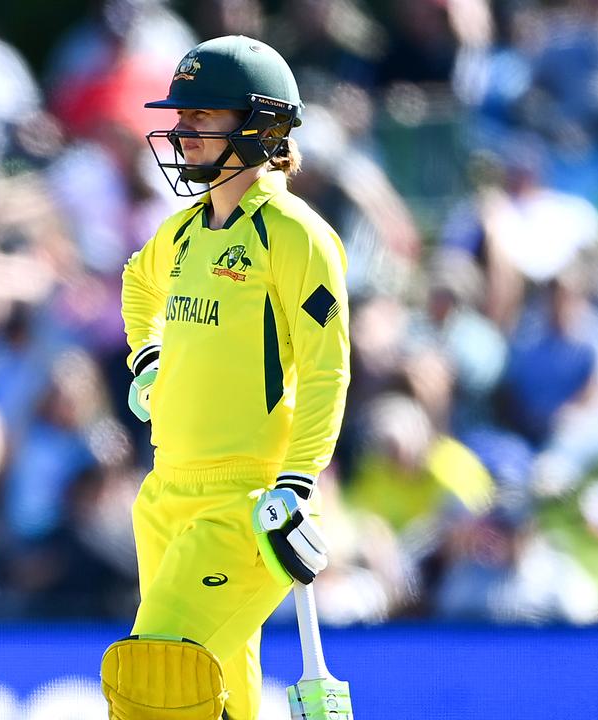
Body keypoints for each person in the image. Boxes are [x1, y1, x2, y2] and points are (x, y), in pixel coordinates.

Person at [104, 36, 351, 720]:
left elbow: (327, 369)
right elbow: (136, 283)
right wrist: (148, 357)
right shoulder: (183, 234)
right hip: (166, 495)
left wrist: (298, 481)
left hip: (247, 502)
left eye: (200, 118)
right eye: (179, 118)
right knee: (219, 697)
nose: (180, 133)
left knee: (156, 679)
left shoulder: (295, 235)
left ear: (260, 126)